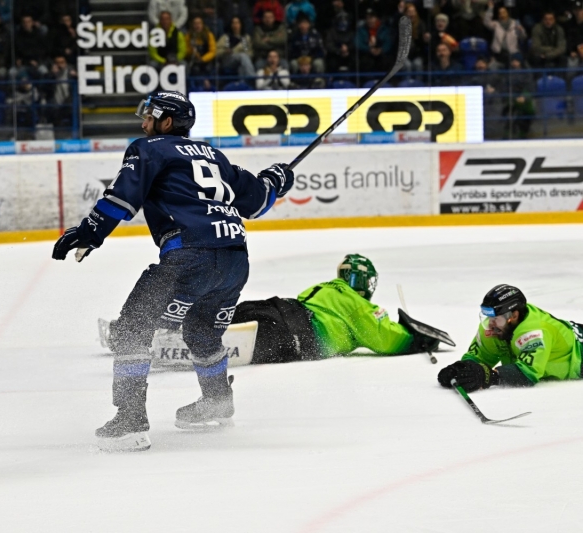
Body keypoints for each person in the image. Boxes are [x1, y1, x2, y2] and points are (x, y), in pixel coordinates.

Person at [52, 91, 294, 452]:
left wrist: (90, 232)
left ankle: (130, 419)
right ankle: (217, 401)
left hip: (189, 257)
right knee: (201, 330)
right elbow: (256, 201)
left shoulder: (148, 149)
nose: (143, 122)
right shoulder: (214, 155)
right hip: (233, 261)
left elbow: (123, 197)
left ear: (167, 122)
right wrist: (276, 180)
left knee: (132, 327)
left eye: (149, 116)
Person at [230, 254, 447, 363]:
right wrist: (415, 338)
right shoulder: (356, 304)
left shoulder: (324, 287)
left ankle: (211, 326)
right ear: (363, 281)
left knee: (245, 311)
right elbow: (383, 337)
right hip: (297, 334)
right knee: (265, 337)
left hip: (282, 307)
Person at [437, 285, 583, 392]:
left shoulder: (535, 332)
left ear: (514, 315)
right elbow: (478, 358)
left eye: (496, 317)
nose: (490, 323)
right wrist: (459, 369)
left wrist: (491, 376)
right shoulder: (494, 326)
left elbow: (527, 374)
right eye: (487, 316)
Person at [483, 2, 526, 69]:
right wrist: (490, 9)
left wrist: (521, 30)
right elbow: (486, 22)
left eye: (503, 12)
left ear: (507, 13)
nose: (502, 14)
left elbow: (523, 37)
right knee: (492, 67)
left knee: (516, 65)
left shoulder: (515, 23)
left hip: (512, 54)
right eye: (500, 13)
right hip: (498, 54)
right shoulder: (495, 24)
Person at [216, 16, 254, 82]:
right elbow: (216, 52)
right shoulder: (225, 37)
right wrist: (225, 51)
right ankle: (253, 79)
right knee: (242, 56)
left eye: (237, 23)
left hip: (243, 61)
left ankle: (243, 86)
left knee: (241, 67)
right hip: (228, 61)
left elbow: (251, 52)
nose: (235, 25)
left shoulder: (246, 37)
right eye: (233, 23)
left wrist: (246, 56)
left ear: (241, 25)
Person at [12, 14, 51, 79]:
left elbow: (42, 51)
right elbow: (19, 51)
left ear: (32, 23)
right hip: (23, 63)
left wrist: (37, 61)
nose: (26, 24)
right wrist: (27, 60)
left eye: (28, 22)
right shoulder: (18, 37)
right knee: (12, 73)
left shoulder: (38, 35)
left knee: (44, 72)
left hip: (37, 63)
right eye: (24, 22)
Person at [355, 8, 393, 73]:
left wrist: (381, 50)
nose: (369, 20)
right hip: (367, 55)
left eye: (371, 18)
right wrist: (369, 49)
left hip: (381, 54)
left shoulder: (384, 29)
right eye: (367, 18)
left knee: (387, 61)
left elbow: (388, 42)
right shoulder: (362, 29)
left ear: (376, 18)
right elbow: (357, 43)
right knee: (364, 62)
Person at [186, 16, 217, 90]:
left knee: (209, 68)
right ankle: (201, 85)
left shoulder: (208, 35)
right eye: (195, 24)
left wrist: (203, 59)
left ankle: (209, 85)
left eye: (199, 23)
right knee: (195, 69)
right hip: (194, 61)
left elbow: (212, 51)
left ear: (202, 25)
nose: (197, 26)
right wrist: (193, 52)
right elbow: (186, 50)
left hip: (206, 60)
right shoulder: (189, 36)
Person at [566, 1, 583, 69]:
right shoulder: (569, 25)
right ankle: (570, 80)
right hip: (574, 53)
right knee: (572, 65)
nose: (578, 12)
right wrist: (571, 51)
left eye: (580, 10)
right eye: (576, 10)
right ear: (573, 11)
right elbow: (568, 40)